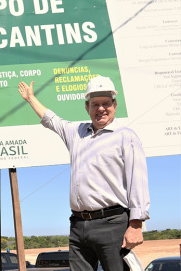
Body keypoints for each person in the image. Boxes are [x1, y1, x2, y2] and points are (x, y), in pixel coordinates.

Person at [18, 76, 150, 271]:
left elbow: (137, 181)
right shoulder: (76, 133)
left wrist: (136, 224)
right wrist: (31, 99)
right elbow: (51, 119)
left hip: (112, 224)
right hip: (79, 226)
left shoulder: (125, 136)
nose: (101, 109)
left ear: (115, 105)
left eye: (106, 103)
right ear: (87, 107)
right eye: (95, 104)